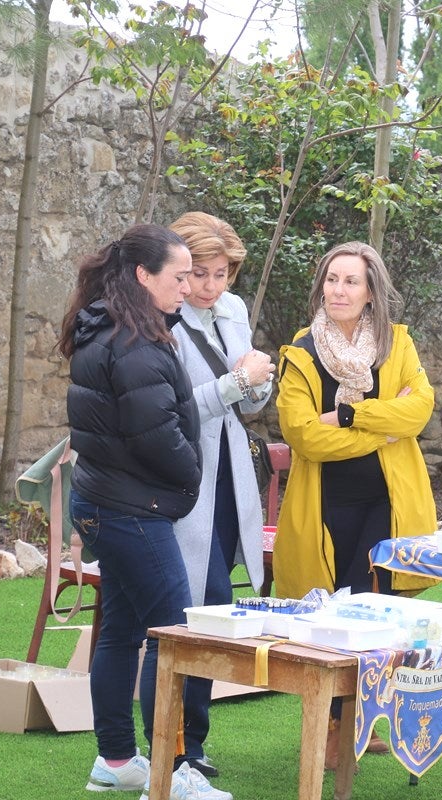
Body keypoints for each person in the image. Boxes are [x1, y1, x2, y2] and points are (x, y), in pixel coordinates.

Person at [58, 224, 231, 800]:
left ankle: (114, 761)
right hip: (131, 509)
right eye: (179, 276)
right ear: (143, 275)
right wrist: (191, 473)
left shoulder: (112, 325)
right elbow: (157, 435)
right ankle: (171, 770)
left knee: (123, 630)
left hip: (106, 501)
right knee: (174, 635)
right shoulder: (133, 341)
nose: (187, 287)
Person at [274, 241, 438, 768]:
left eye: (351, 282)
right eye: (332, 279)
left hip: (388, 505)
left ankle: (359, 724)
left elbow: (419, 411)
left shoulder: (397, 345)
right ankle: (329, 728)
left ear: (370, 293)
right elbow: (303, 436)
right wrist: (379, 425)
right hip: (325, 506)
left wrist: (346, 417)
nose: (339, 290)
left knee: (374, 609)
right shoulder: (301, 351)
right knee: (332, 616)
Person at [166, 212, 274, 779]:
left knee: (217, 605)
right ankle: (174, 745)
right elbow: (181, 406)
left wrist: (257, 381)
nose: (210, 286)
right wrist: (238, 381)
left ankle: (196, 744)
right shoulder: (164, 315)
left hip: (232, 476)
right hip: (186, 477)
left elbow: (249, 405)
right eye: (200, 274)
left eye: (222, 274)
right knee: (194, 602)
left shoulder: (232, 310)